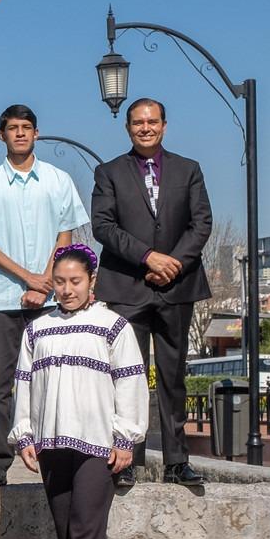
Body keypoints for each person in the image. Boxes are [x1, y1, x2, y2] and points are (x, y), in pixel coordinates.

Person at [11, 244, 147, 539]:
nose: (67, 289)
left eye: (75, 281)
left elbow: (131, 383)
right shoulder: (37, 329)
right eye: (60, 281)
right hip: (52, 442)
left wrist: (125, 437)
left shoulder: (113, 326)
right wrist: (24, 433)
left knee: (87, 527)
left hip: (96, 443)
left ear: (92, 282)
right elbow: (24, 385)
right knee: (65, 528)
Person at [0, 105, 89, 488]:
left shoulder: (57, 180)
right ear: (1, 135)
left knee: (53, 376)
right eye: (12, 128)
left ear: (37, 133)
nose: (20, 133)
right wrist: (27, 279)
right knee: (1, 382)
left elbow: (65, 235)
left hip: (54, 299)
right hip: (5, 299)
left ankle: (54, 450)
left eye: (26, 127)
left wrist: (48, 282)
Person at [91, 98, 212, 488]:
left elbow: (201, 222)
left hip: (177, 285)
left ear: (164, 124)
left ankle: (178, 461)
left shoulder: (188, 169)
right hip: (128, 286)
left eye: (152, 121)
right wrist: (147, 258)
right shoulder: (108, 172)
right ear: (128, 128)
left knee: (174, 377)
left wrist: (172, 262)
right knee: (128, 376)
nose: (145, 128)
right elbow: (103, 227)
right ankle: (127, 459)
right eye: (138, 122)